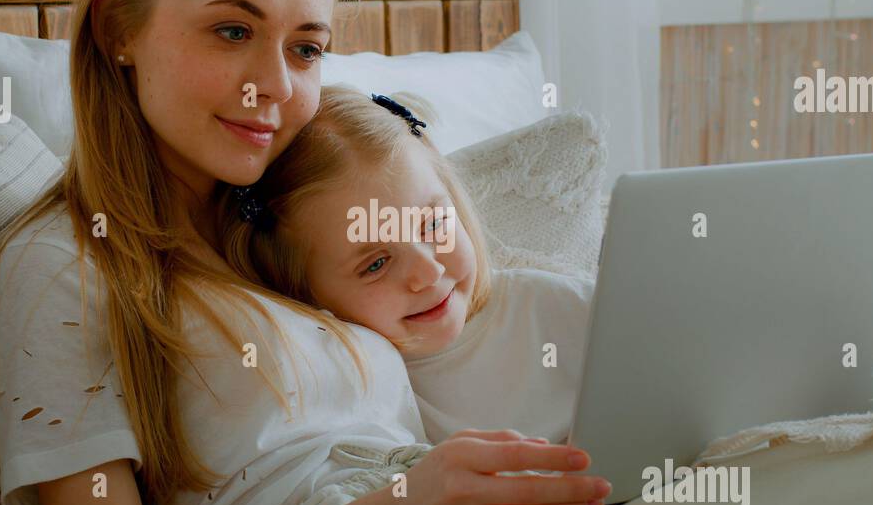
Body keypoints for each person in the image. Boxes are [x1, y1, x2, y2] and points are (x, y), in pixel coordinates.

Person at [0, 0, 609, 505]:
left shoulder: (292, 227)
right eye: (232, 30)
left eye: (305, 47)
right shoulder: (61, 266)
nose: (273, 85)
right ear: (118, 29)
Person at [220, 84, 593, 446]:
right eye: (377, 263)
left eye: (433, 225)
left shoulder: (551, 306)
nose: (428, 272)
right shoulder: (351, 394)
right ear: (301, 292)